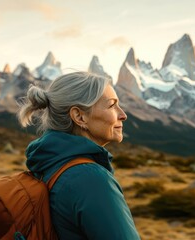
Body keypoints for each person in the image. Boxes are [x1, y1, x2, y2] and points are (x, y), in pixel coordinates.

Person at [17, 71, 141, 239]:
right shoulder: (91, 179)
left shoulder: (47, 165)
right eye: (112, 105)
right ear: (79, 116)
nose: (123, 115)